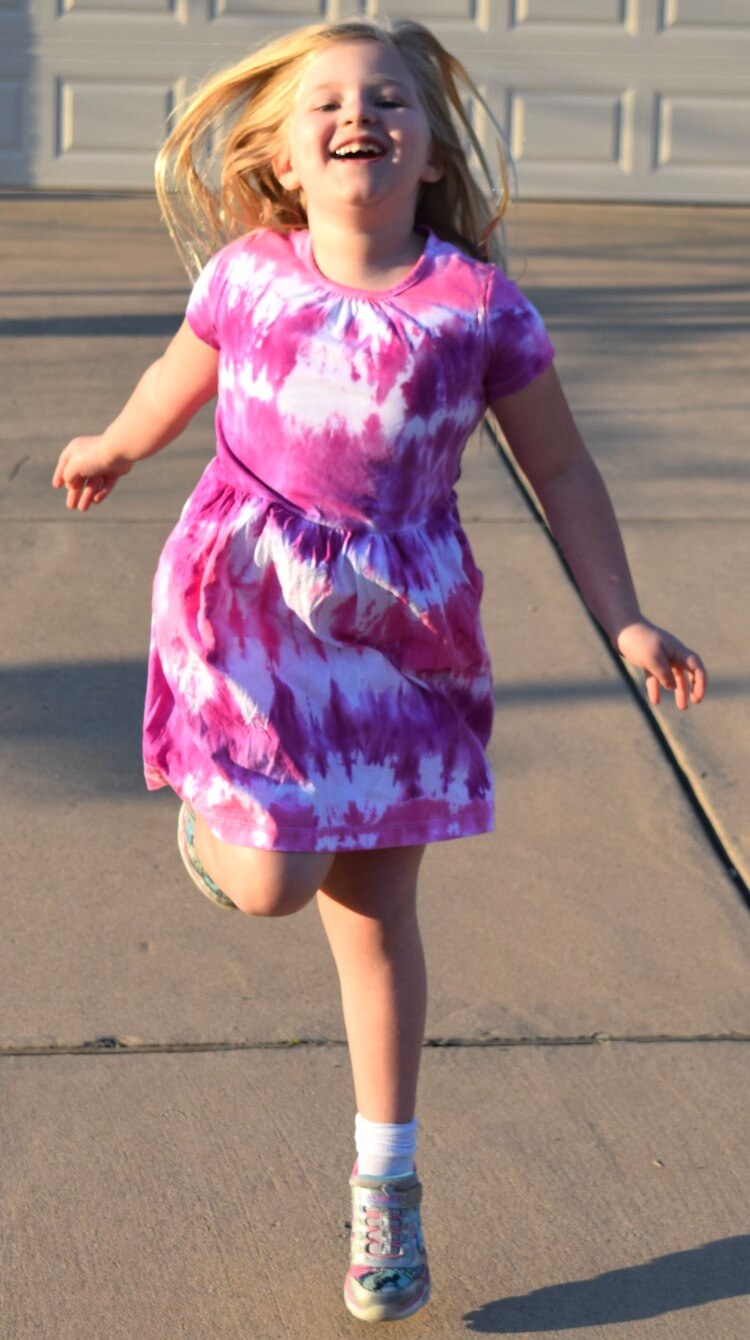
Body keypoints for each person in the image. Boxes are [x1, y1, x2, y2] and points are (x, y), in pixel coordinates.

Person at [51, 16, 707, 1325]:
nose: (360, 115)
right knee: (273, 886)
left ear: (426, 147)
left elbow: (560, 469)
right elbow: (174, 379)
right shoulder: (248, 276)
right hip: (249, 612)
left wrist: (624, 619)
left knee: (375, 920)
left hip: (400, 643)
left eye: (389, 98)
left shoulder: (476, 307)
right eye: (329, 103)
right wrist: (118, 443)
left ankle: (383, 1188)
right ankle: (217, 822)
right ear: (283, 157)